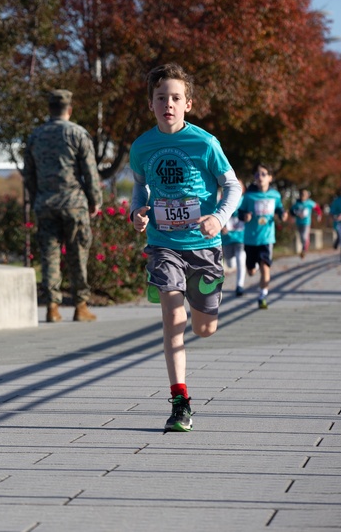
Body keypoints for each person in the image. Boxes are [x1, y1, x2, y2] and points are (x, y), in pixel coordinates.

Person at [130, 63, 241, 432]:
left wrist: (219, 217)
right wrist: (137, 211)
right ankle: (180, 402)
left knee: (204, 328)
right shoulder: (142, 147)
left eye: (176, 98)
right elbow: (140, 186)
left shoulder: (205, 143)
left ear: (188, 104)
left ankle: (203, 290)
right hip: (163, 243)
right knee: (172, 319)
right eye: (161, 98)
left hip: (204, 244)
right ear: (151, 104)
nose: (169, 104)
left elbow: (234, 186)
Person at [23, 89, 103, 323]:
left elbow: (29, 174)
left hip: (45, 204)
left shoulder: (35, 136)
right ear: (69, 109)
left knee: (49, 255)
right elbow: (90, 171)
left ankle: (52, 306)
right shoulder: (77, 133)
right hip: (73, 203)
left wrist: (38, 196)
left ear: (49, 109)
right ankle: (80, 306)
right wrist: (94, 199)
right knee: (78, 254)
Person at [239, 164, 287, 309]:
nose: (260, 177)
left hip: (267, 238)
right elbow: (241, 213)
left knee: (265, 268)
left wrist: (282, 215)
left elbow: (280, 208)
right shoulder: (249, 196)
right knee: (251, 271)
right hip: (250, 238)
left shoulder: (275, 195)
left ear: (270, 178)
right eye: (257, 175)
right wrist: (245, 217)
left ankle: (262, 295)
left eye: (263, 174)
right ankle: (253, 267)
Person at [221, 181, 247, 297]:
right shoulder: (223, 201)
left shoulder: (245, 201)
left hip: (241, 236)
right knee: (231, 264)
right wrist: (221, 226)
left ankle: (239, 286)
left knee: (240, 259)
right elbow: (217, 215)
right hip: (227, 238)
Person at [291, 188, 318, 259]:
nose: (303, 196)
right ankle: (305, 246)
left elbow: (317, 208)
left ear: (307, 196)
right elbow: (291, 211)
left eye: (304, 194)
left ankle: (304, 249)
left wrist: (319, 214)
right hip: (299, 222)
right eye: (301, 194)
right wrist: (295, 214)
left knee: (304, 236)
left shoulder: (309, 202)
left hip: (307, 222)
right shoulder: (297, 203)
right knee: (301, 237)